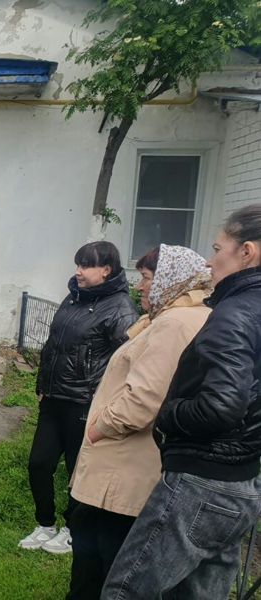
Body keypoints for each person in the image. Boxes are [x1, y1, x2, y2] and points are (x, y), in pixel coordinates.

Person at [102, 205, 261, 599]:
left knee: (125, 591)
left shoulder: (234, 313)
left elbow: (221, 406)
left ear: (247, 252)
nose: (209, 261)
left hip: (203, 480)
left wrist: (168, 415)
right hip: (242, 480)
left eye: (217, 248)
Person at [66, 245, 212, 599]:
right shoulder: (184, 316)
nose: (140, 286)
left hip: (122, 467)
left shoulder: (173, 324)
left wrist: (98, 427)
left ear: (169, 279)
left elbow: (144, 399)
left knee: (98, 559)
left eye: (147, 278)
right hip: (131, 463)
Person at [19, 241, 138, 554]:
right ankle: (45, 524)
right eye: (78, 264)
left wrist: (104, 398)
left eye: (86, 265)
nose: (78, 271)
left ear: (106, 270)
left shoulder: (121, 308)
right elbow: (52, 345)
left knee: (78, 471)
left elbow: (128, 359)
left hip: (85, 401)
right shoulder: (73, 297)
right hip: (54, 397)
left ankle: (73, 529)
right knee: (39, 463)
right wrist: (42, 384)